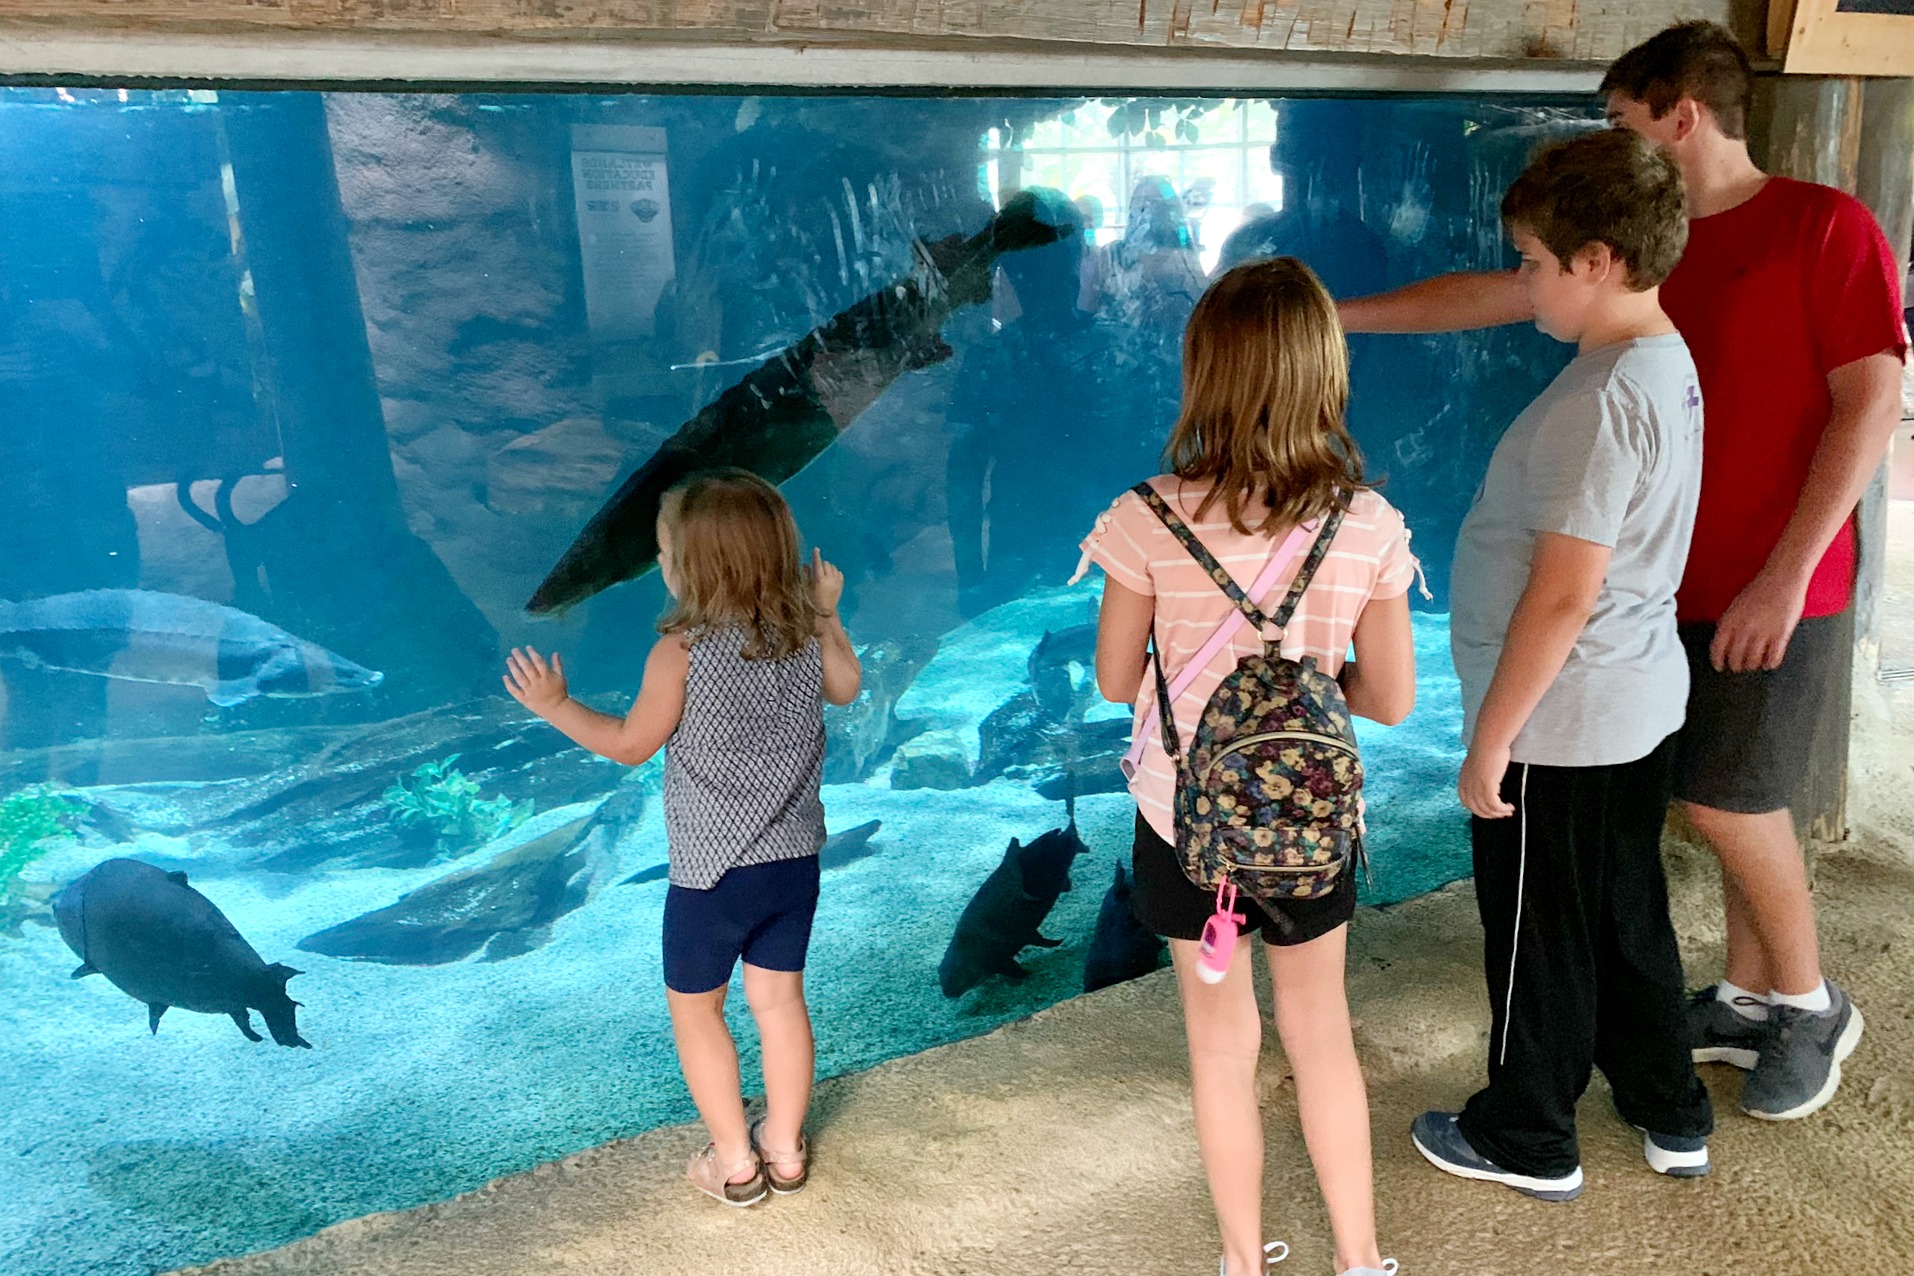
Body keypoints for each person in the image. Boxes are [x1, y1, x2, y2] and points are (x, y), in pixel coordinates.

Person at [1339, 20, 1906, 1122]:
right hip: (1650, 587)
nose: (1606, 136)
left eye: (1618, 118)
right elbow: (1495, 292)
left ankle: (1808, 1001)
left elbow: (1873, 399)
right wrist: (1335, 316)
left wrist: (1786, 575)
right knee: (1693, 797)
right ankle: (1744, 996)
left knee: (1732, 797)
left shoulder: (1820, 224)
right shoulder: (1641, 247)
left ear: (1680, 116)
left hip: (1768, 578)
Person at [1077, 257, 1417, 1276]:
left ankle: (1242, 1261)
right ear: (1326, 371)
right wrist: (1307, 683)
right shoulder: (1367, 524)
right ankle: (1359, 1257)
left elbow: (1113, 680)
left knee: (1222, 1050)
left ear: (1203, 372)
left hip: (1184, 823)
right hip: (1312, 829)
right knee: (1321, 1033)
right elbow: (1392, 699)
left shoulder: (1145, 517)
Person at [1404, 128, 1715, 1202]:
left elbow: (1562, 593)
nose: (1521, 284)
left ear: (1596, 261)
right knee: (1627, 912)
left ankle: (1529, 1132)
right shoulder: (1662, 360)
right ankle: (1669, 1105)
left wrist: (1492, 740)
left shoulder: (1597, 403)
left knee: (1537, 931)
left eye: (1533, 263)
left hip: (1563, 720)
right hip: (1635, 698)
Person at [503, 469, 862, 1207]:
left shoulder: (682, 652)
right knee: (779, 1004)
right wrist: (827, 611)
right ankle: (785, 1149)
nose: (661, 563)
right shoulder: (800, 631)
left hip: (711, 876)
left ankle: (735, 1164)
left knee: (699, 1011)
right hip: (793, 864)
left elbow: (632, 744)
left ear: (688, 567)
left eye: (664, 552)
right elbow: (847, 687)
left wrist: (556, 705)